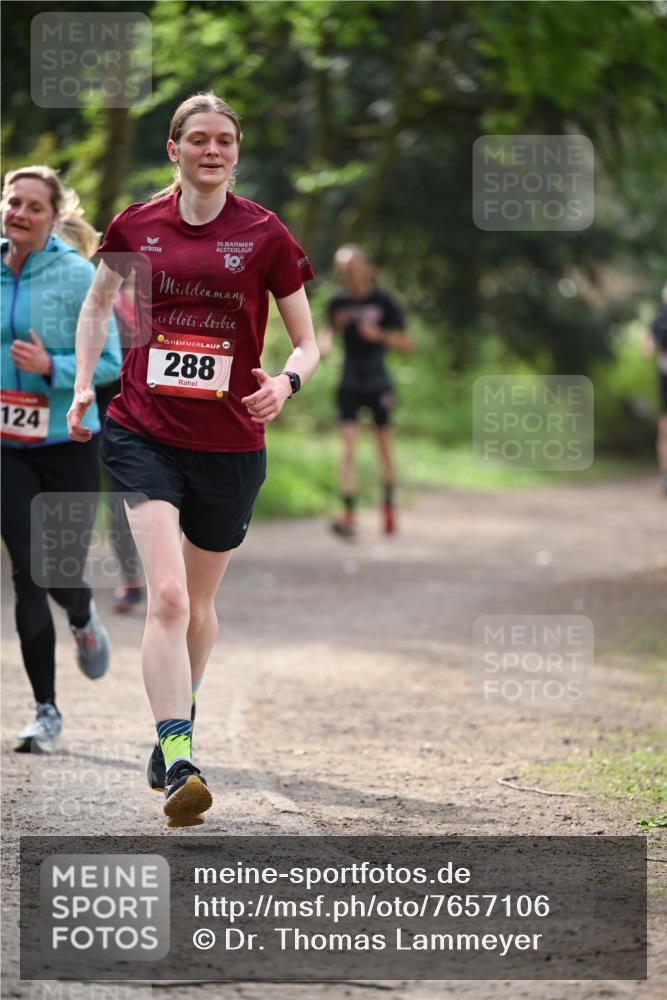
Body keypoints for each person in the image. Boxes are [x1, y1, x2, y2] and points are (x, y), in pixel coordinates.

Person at [67, 92, 318, 823]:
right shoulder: (135, 225)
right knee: (168, 597)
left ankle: (183, 706)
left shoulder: (265, 234)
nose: (213, 150)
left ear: (236, 152)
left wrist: (286, 382)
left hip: (232, 442)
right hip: (143, 429)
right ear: (173, 149)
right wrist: (85, 384)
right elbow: (95, 304)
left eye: (226, 141)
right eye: (199, 139)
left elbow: (307, 340)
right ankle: (178, 756)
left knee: (201, 605)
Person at [1, 165, 121, 752]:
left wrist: (54, 369)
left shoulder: (78, 277)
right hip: (8, 448)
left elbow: (112, 364)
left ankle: (80, 615)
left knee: (58, 571)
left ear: (53, 218)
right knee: (27, 570)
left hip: (69, 440)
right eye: (12, 202)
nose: (19, 213)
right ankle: (46, 710)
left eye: (32, 206)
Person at [55, 215, 146, 612]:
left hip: (126, 413)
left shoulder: (116, 300)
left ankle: (133, 578)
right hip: (81, 413)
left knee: (120, 498)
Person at [319, 244, 413, 538]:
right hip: (349, 382)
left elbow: (407, 343)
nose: (349, 274)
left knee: (383, 444)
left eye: (353, 267)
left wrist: (380, 335)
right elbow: (327, 333)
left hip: (378, 382)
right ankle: (347, 514)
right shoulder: (338, 304)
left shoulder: (384, 302)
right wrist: (321, 346)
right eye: (343, 270)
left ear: (366, 268)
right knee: (347, 447)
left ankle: (388, 506)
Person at [645, 287, 667, 495]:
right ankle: (666, 476)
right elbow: (647, 349)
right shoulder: (659, 321)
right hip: (665, 377)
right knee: (665, 428)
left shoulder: (658, 321)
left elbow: (646, 350)